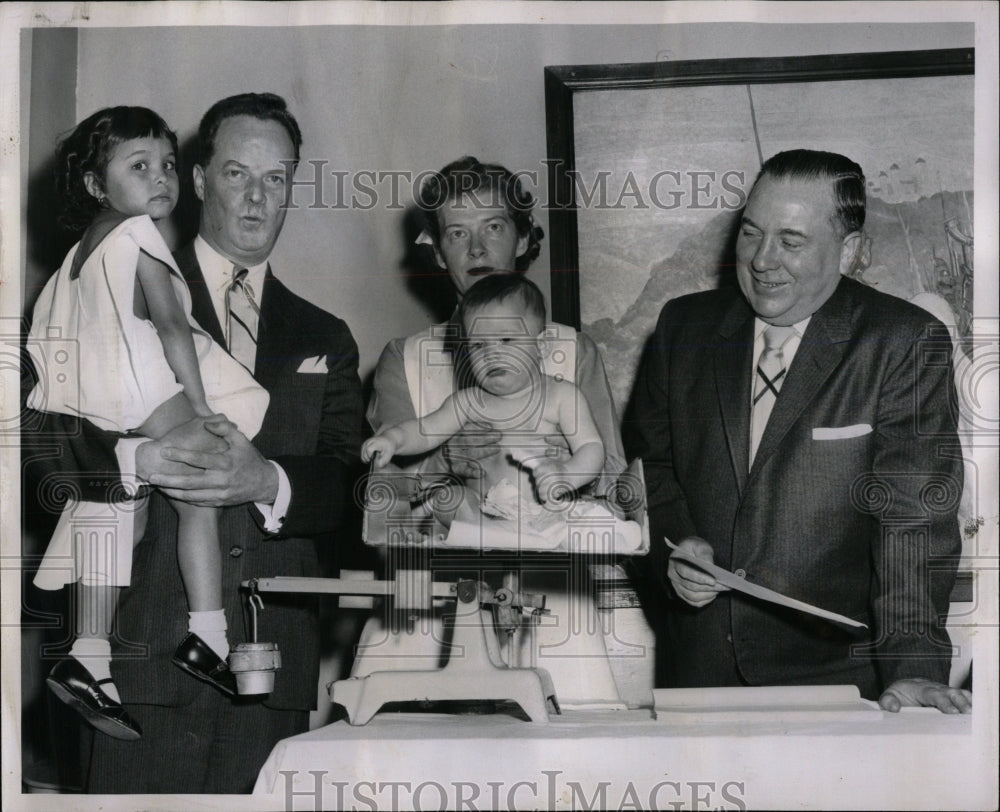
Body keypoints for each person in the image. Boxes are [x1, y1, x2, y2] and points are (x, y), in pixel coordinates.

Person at [22, 92, 364, 791]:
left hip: (270, 677)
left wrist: (270, 483)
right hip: (133, 669)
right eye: (238, 174)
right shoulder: (115, 275)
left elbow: (352, 491)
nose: (258, 199)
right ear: (201, 180)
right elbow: (35, 454)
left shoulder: (325, 335)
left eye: (278, 178)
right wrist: (131, 458)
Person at [624, 148, 971, 713]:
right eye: (750, 233)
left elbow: (914, 520)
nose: (762, 261)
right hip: (700, 676)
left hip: (837, 680)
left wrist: (911, 668)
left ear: (850, 251)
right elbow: (652, 467)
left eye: (791, 242)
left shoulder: (903, 342)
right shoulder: (680, 327)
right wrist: (674, 549)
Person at [28, 107, 271, 741]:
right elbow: (170, 329)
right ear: (93, 185)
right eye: (140, 167)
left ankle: (89, 651)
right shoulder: (139, 236)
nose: (160, 178)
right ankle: (208, 635)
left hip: (99, 409)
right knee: (205, 494)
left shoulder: (73, 262)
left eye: (167, 164)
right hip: (148, 393)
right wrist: (199, 404)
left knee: (120, 510)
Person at [358, 157, 627, 708]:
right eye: (458, 233)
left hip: (556, 598)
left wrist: (565, 473)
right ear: (436, 250)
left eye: (494, 228)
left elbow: (618, 491)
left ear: (525, 239)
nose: (477, 250)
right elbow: (382, 507)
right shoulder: (404, 360)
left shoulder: (574, 353)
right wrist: (442, 465)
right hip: (428, 606)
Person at [363, 273, 605, 507]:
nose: (491, 354)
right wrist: (393, 439)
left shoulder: (562, 396)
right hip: (485, 518)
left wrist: (568, 474)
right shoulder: (467, 403)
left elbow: (591, 446)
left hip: (546, 511)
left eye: (506, 341)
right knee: (451, 502)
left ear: (541, 346)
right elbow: (425, 431)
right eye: (478, 345)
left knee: (596, 515)